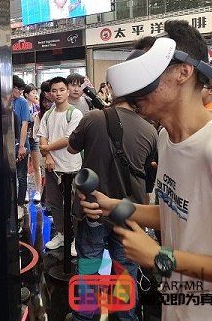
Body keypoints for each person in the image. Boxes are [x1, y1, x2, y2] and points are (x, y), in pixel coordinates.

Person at [81, 20, 212, 321]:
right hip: (178, 306)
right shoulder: (165, 137)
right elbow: (175, 213)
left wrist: (162, 258)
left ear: (184, 72)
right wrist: (115, 206)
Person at [68, 91, 158, 321]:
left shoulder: (92, 118)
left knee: (89, 263)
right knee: (125, 268)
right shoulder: (149, 130)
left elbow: (72, 148)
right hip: (130, 211)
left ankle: (84, 315)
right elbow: (149, 170)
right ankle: (125, 316)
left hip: (93, 207)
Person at [37, 77, 83, 252]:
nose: (58, 94)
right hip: (51, 167)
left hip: (72, 167)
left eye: (61, 90)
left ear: (67, 91)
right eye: (54, 91)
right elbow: (42, 135)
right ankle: (62, 234)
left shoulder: (75, 114)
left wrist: (46, 148)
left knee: (74, 206)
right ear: (50, 93)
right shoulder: (48, 114)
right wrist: (47, 155)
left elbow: (68, 139)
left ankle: (75, 239)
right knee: (55, 203)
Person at [12, 75, 31, 206]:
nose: (20, 92)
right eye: (18, 89)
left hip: (21, 144)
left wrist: (22, 146)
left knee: (21, 176)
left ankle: (20, 205)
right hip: (8, 145)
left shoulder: (22, 102)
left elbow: (25, 125)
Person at [24, 84, 42, 203]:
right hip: (25, 139)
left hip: (34, 138)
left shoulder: (37, 106)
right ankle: (24, 191)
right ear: (26, 94)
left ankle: (38, 191)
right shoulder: (23, 105)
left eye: (36, 92)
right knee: (24, 167)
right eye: (33, 92)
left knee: (36, 166)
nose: (35, 95)